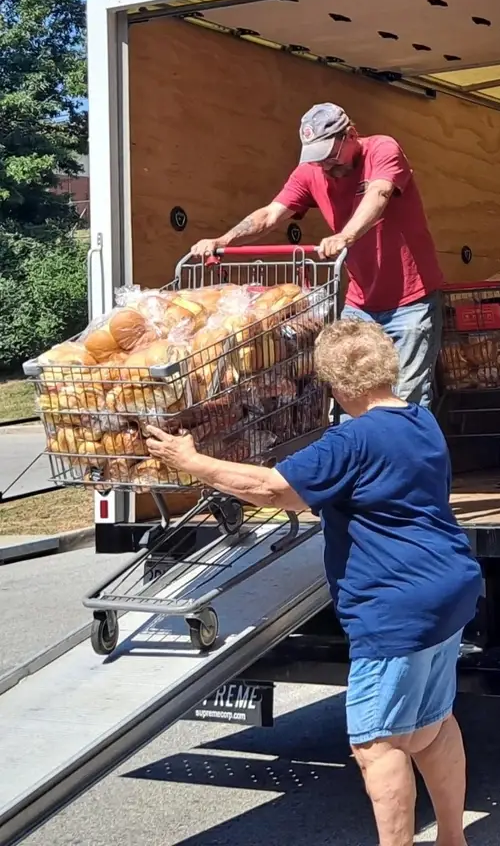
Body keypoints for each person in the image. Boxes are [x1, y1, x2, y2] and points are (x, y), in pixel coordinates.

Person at [145, 318, 481, 846]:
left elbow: (272, 489)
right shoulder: (421, 420)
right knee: (430, 725)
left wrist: (191, 462)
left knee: (378, 745)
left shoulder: (350, 440)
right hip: (449, 585)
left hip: (396, 604)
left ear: (336, 386)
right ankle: (453, 839)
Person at [190, 103, 446, 412]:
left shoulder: (382, 149)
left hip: (411, 301)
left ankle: (409, 444)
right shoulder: (311, 172)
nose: (325, 165)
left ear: (350, 134)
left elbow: (379, 193)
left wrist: (345, 236)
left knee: (406, 394)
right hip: (360, 303)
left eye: (330, 155)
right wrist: (223, 239)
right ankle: (356, 445)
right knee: (350, 393)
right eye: (317, 157)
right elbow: (270, 214)